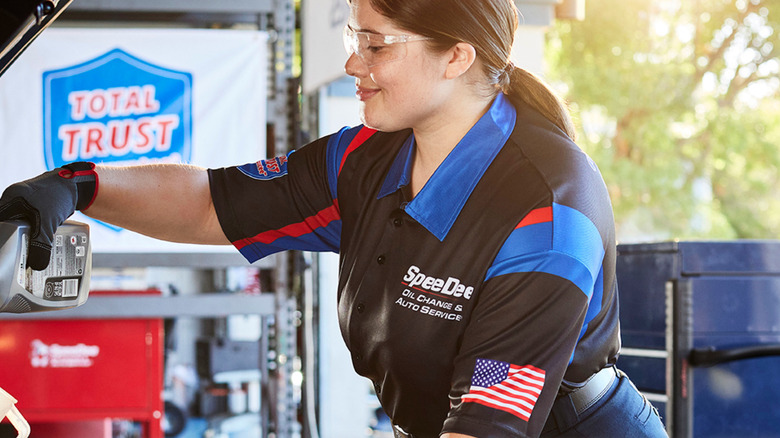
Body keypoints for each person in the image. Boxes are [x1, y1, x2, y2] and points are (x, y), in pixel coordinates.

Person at [0, 0, 668, 437]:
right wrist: (76, 185)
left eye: (376, 44)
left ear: (456, 55)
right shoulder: (367, 159)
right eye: (355, 37)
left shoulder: (547, 217)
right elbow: (212, 202)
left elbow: (488, 421)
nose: (353, 62)